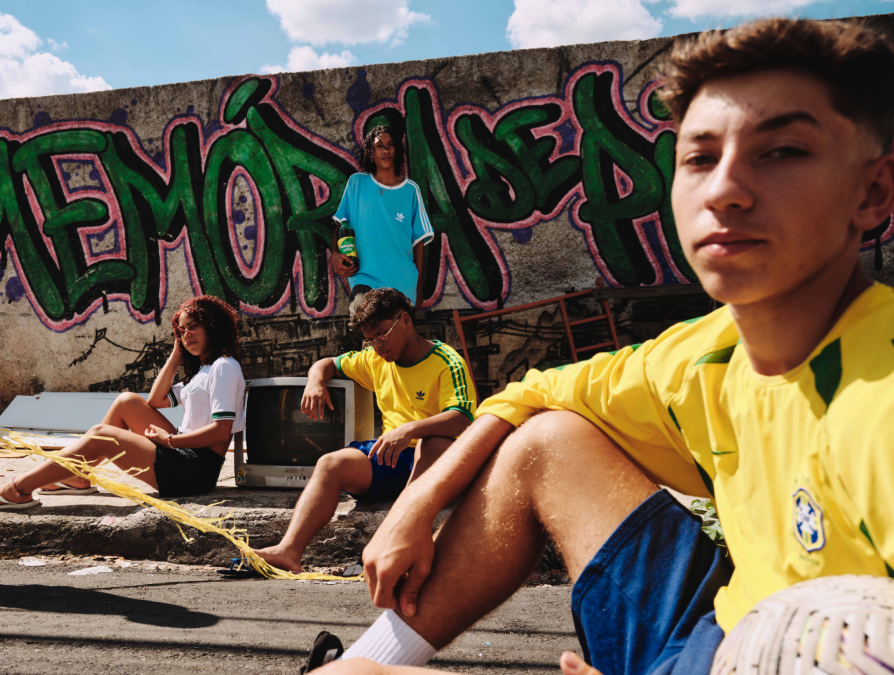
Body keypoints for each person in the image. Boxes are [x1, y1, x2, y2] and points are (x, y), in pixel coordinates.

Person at [308, 17, 894, 675]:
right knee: (545, 440)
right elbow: (528, 394)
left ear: (872, 192)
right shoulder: (706, 353)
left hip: (779, 654)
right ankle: (367, 656)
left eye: (782, 151)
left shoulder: (879, 398)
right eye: (700, 158)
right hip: (722, 627)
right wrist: (418, 502)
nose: (725, 190)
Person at [253, 288, 474, 574]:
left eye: (382, 334)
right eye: (370, 340)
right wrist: (315, 381)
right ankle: (288, 551)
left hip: (440, 461)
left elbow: (462, 419)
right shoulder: (374, 358)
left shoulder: (447, 361)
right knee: (330, 464)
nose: (377, 346)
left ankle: (391, 543)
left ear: (406, 320)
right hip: (393, 456)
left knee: (430, 443)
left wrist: (409, 429)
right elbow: (327, 364)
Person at [0, 295, 245, 508]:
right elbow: (155, 400)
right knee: (127, 402)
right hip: (183, 454)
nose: (187, 335)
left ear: (213, 325)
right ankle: (78, 477)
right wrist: (176, 356)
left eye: (194, 326)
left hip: (194, 472)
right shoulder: (203, 370)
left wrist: (170, 441)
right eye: (181, 330)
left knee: (102, 435)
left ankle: (19, 488)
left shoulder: (223, 367)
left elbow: (221, 431)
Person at [332, 125, 434, 315]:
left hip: (403, 284)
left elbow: (419, 241)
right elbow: (340, 225)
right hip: (365, 280)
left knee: (397, 334)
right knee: (366, 326)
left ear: (397, 150)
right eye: (379, 146)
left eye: (390, 145)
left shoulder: (411, 190)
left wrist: (419, 284)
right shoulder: (357, 183)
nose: (386, 150)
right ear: (371, 153)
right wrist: (334, 254)